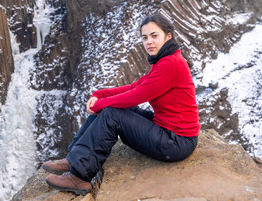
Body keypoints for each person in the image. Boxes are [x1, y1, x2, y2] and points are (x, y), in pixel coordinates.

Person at [42, 14, 201, 195]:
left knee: (112, 114)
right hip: (166, 129)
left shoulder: (171, 64)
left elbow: (136, 96)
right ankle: (74, 159)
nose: (149, 41)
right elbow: (134, 87)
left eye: (154, 36)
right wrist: (100, 95)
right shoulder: (165, 60)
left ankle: (79, 176)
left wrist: (100, 104)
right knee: (114, 109)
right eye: (145, 37)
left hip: (177, 142)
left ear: (168, 36)